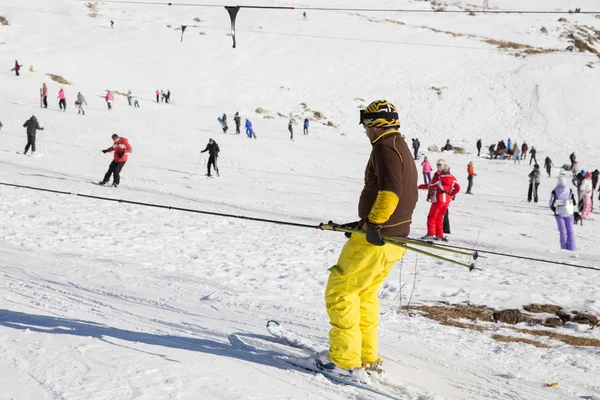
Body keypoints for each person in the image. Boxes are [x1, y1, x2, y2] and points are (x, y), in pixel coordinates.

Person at [322, 100, 417, 381]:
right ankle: (365, 356)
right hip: (395, 240)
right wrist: (364, 222)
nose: (365, 132)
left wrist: (374, 224)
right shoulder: (399, 145)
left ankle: (344, 361)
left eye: (366, 126)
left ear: (376, 125)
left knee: (341, 291)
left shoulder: (384, 147)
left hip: (378, 239)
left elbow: (390, 193)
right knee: (364, 295)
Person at [419, 159, 460, 241]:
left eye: (439, 165)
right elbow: (458, 188)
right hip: (446, 201)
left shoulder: (439, 178)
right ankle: (439, 235)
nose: (438, 167)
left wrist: (418, 186)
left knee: (432, 216)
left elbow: (431, 185)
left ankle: (431, 233)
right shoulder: (452, 177)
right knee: (439, 217)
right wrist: (451, 194)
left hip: (438, 199)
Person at [549, 176, 577, 251]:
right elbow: (574, 202)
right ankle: (572, 248)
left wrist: (555, 210)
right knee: (570, 231)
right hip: (569, 212)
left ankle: (564, 248)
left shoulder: (554, 191)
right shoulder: (569, 190)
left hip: (559, 213)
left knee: (563, 231)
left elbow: (550, 203)